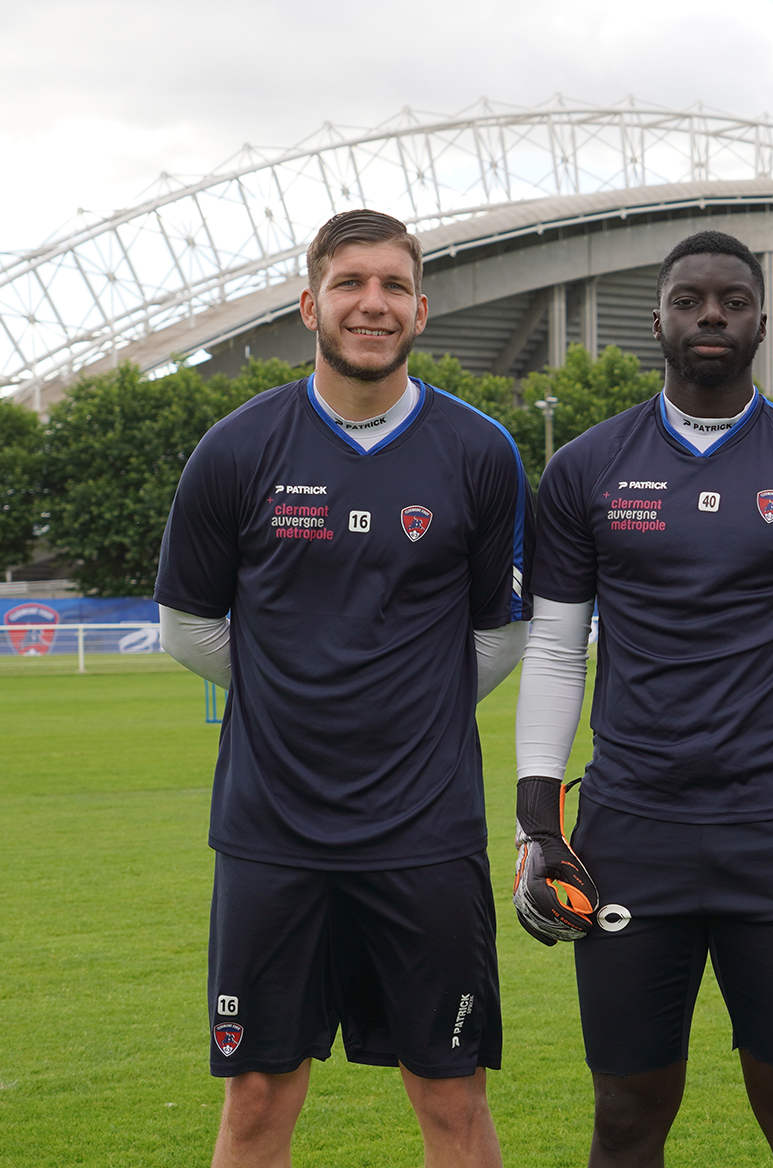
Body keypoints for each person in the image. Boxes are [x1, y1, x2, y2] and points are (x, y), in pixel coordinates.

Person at [512, 230, 773, 1168]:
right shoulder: (585, 467)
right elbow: (557, 649)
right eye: (690, 300)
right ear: (656, 317)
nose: (710, 316)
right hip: (630, 831)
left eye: (731, 302)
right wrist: (539, 819)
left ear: (761, 323)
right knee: (624, 1122)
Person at [155, 209, 531, 1168]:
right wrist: (297, 693)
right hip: (272, 834)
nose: (373, 303)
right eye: (351, 283)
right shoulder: (238, 450)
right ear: (309, 301)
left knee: (452, 1098)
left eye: (393, 285)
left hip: (425, 833)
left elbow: (503, 629)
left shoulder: (481, 452)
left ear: (421, 306)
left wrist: (412, 702)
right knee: (256, 1098)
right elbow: (190, 630)